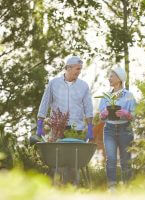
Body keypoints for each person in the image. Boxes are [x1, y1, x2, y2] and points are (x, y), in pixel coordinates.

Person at [37, 55, 94, 184]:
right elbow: (44, 103)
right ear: (68, 68)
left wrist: (90, 128)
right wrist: (40, 124)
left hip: (76, 130)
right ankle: (58, 190)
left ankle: (73, 190)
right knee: (58, 163)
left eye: (80, 69)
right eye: (77, 69)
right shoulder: (54, 84)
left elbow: (88, 108)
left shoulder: (83, 86)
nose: (79, 72)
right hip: (58, 129)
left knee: (74, 165)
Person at [98, 67, 136, 188]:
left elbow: (134, 116)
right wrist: (103, 114)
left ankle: (127, 187)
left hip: (125, 130)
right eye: (109, 76)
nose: (109, 78)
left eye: (111, 76)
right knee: (111, 159)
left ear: (119, 79)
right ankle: (112, 187)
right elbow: (100, 116)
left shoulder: (129, 96)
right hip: (109, 130)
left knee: (125, 160)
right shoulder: (105, 96)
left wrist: (127, 114)